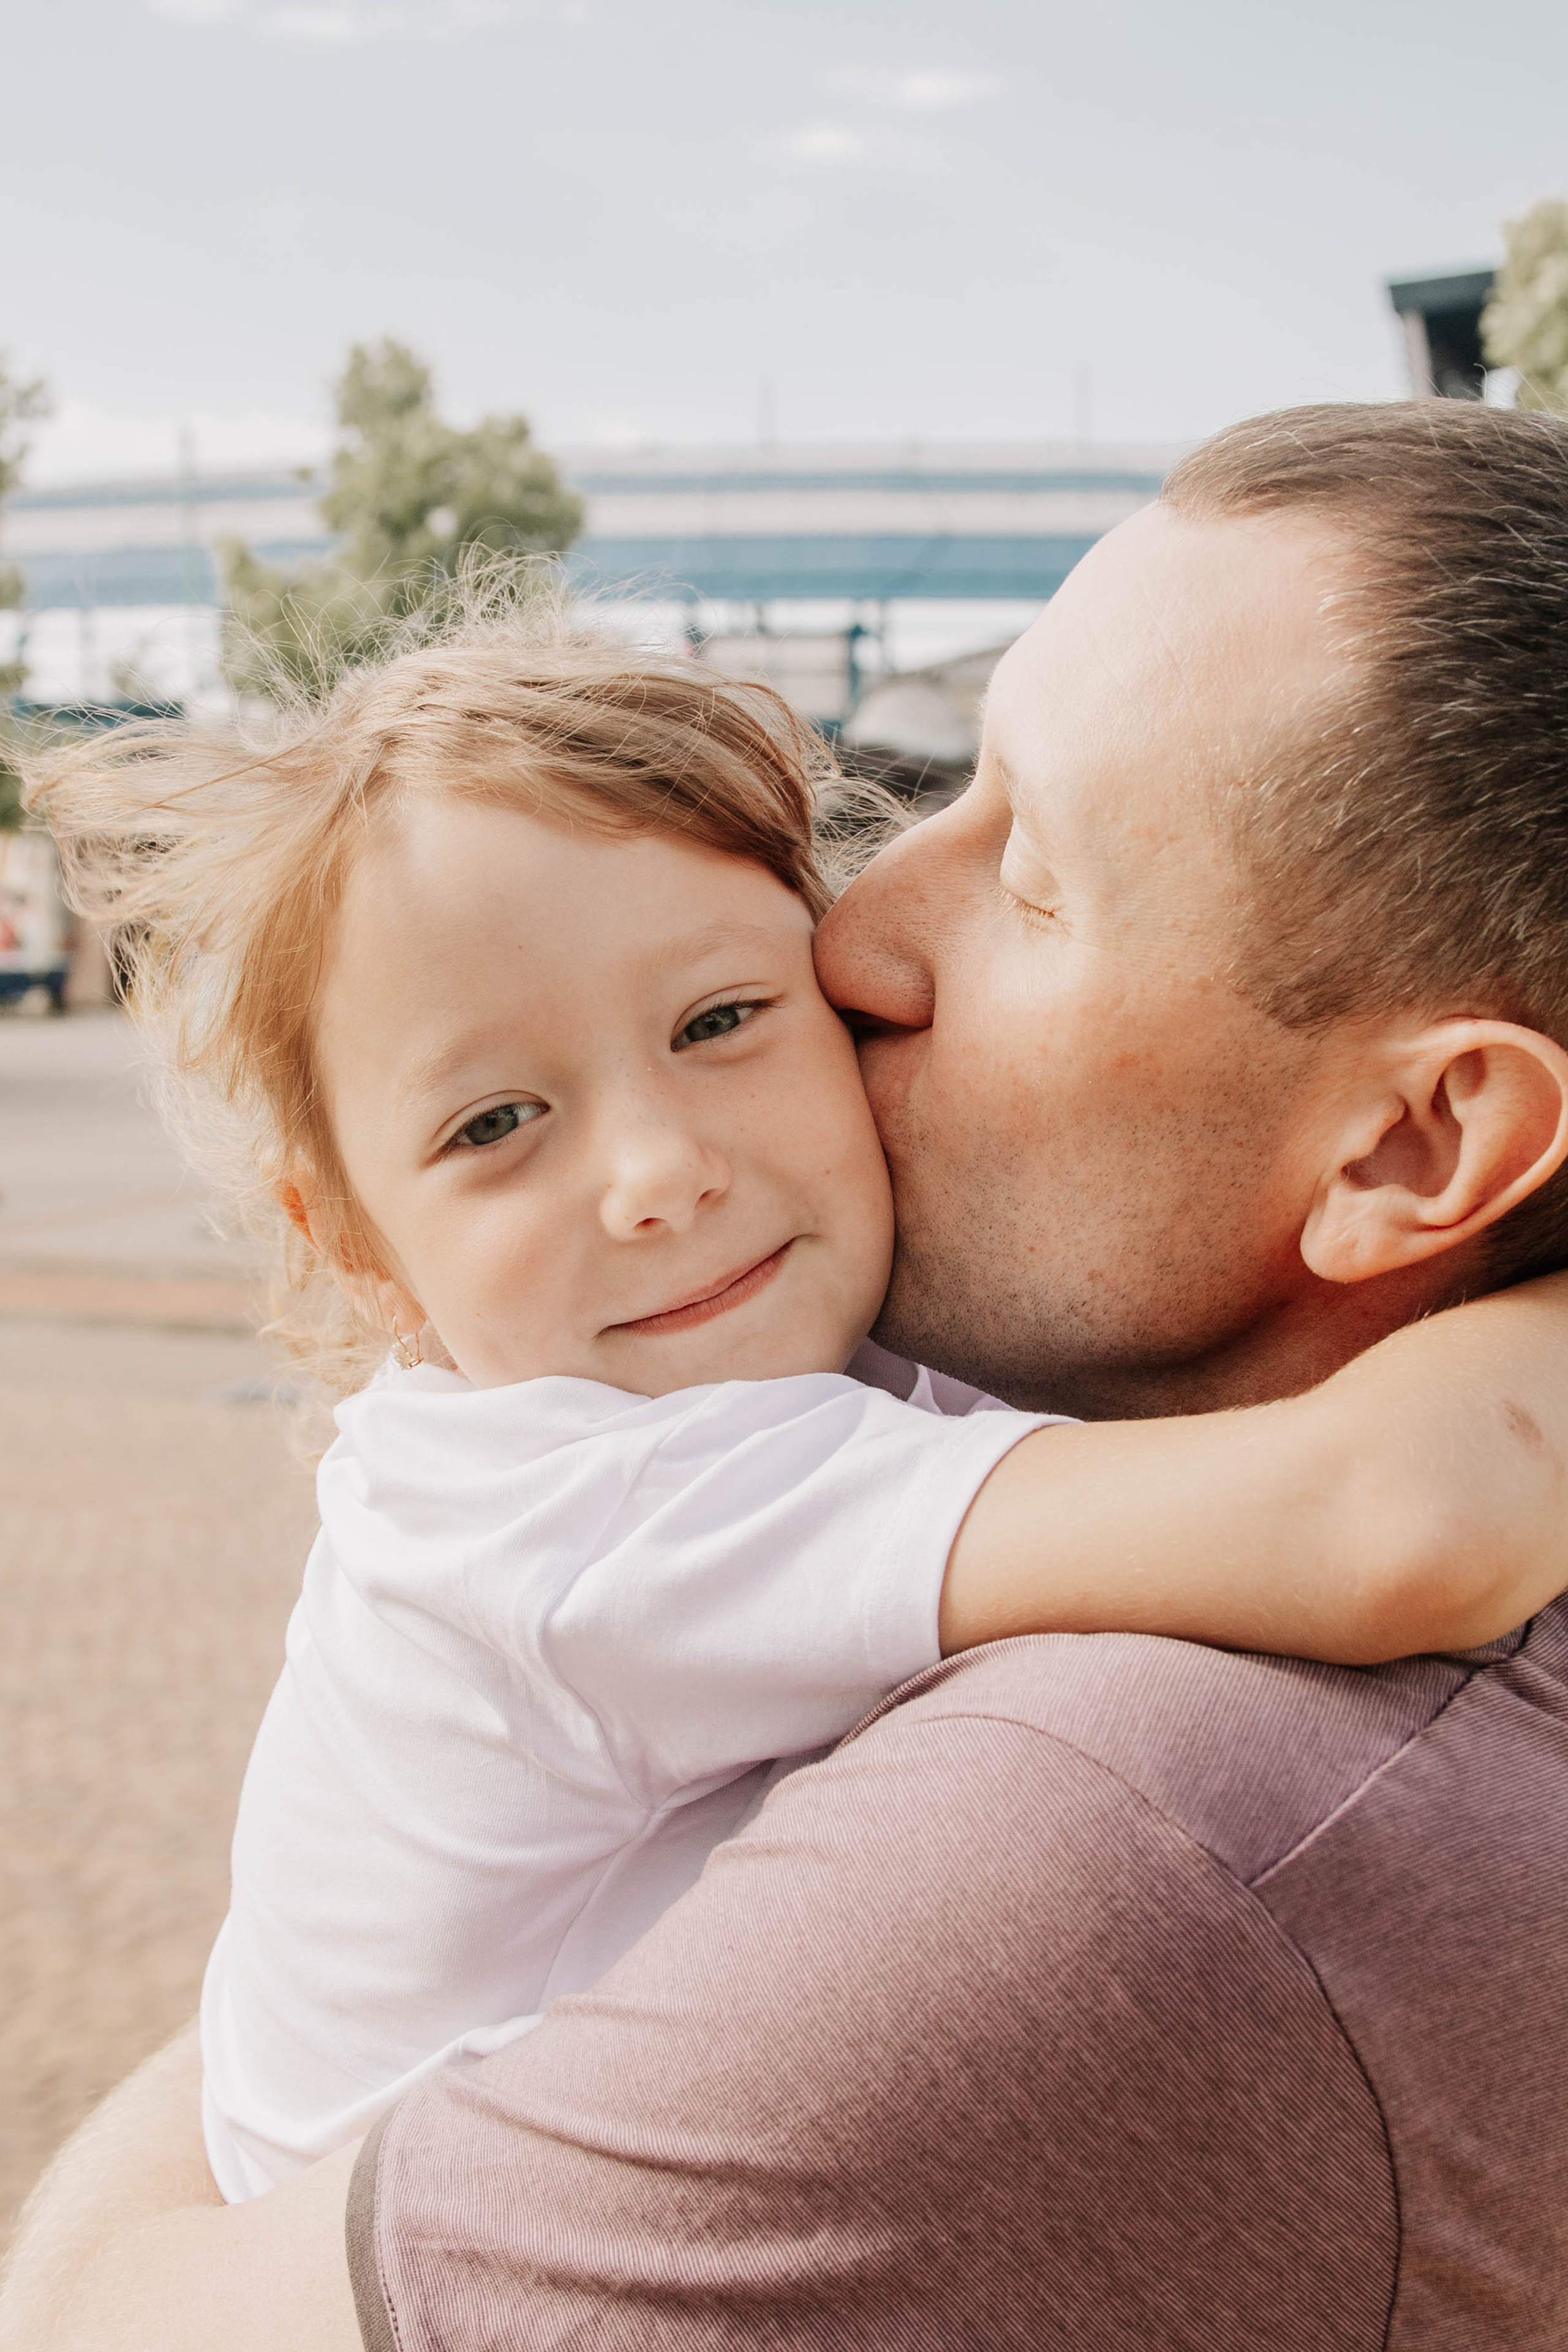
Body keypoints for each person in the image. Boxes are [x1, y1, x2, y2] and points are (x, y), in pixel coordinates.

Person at [5, 397, 1568, 2349]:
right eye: (496, 1123)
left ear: (1421, 1148)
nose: (868, 928)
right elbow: (1403, 1506)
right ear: (352, 1235)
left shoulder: (1110, 1843)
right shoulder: (617, 1490)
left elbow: (1402, 1515)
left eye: (1032, 877)